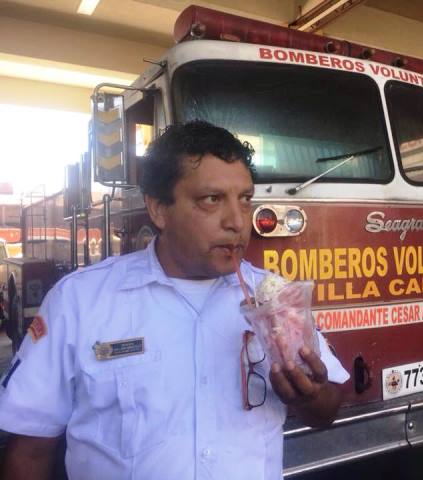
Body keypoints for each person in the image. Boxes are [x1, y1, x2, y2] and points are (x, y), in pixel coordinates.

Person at [0, 121, 349, 479]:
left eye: (245, 200)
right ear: (159, 210)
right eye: (211, 200)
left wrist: (309, 397)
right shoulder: (80, 301)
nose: (237, 222)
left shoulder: (275, 299)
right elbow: (30, 452)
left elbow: (327, 408)